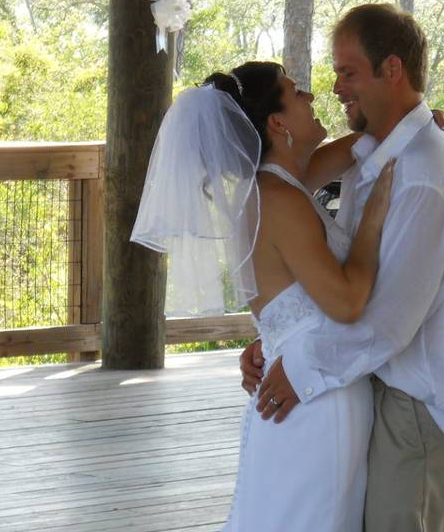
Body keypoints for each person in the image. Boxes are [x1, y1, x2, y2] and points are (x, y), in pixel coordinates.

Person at [242, 3, 444, 531]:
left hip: (419, 397)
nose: (333, 88)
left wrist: (301, 365)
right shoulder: (376, 154)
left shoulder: (424, 169)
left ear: (393, 69)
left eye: (347, 71)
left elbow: (388, 317)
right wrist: (277, 342)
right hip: (375, 383)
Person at [130, 62, 397, 532]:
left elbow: (358, 144)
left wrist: (420, 121)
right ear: (277, 122)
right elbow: (347, 303)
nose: (312, 97)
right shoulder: (277, 198)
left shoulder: (280, 185)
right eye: (296, 93)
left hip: (298, 381)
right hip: (314, 400)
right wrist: (374, 218)